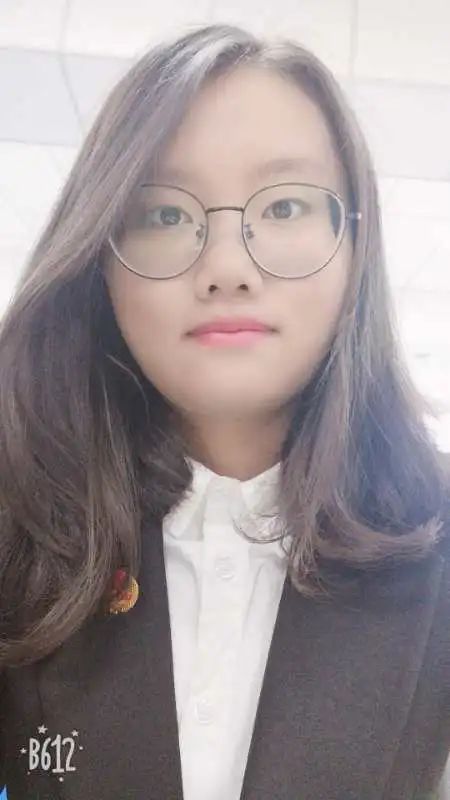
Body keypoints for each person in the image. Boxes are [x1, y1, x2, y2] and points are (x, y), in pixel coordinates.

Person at [0, 21, 449, 800]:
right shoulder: (20, 524)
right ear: (101, 260)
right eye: (166, 215)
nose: (227, 268)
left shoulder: (434, 536)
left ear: (354, 248)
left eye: (285, 206)